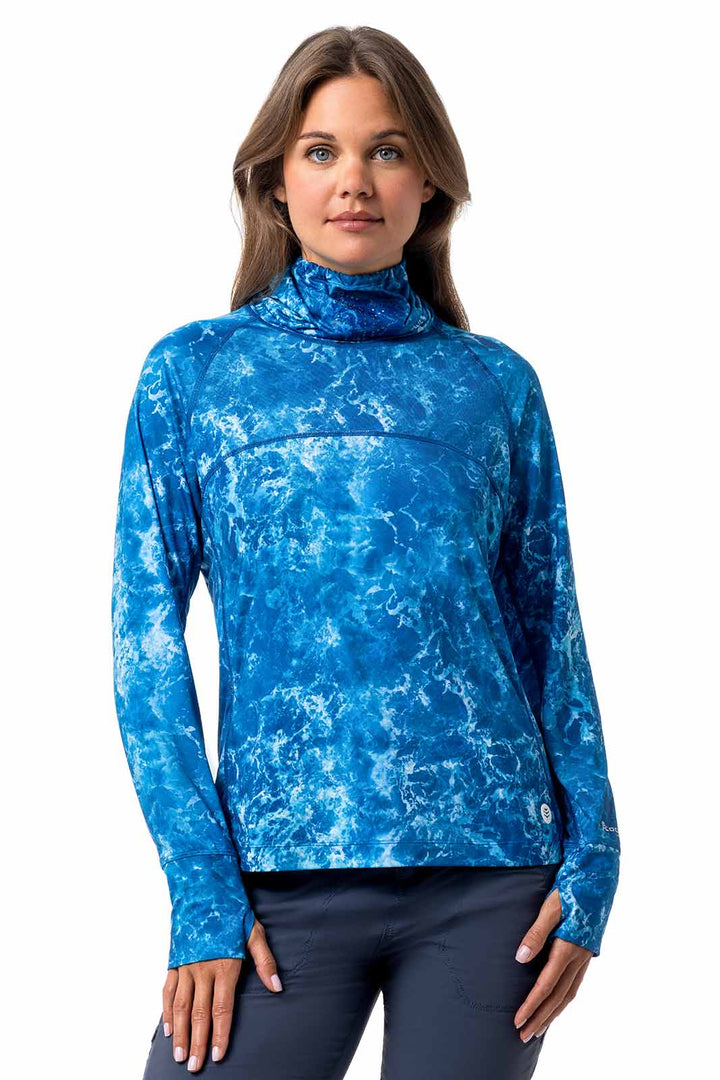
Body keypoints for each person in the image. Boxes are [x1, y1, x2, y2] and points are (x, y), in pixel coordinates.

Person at [111, 25, 621, 1080]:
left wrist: (597, 861)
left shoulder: (494, 385)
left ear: (429, 181)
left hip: (492, 878)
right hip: (273, 881)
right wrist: (201, 890)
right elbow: (143, 640)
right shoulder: (196, 376)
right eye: (321, 151)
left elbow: (551, 633)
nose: (355, 180)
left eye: (387, 150)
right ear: (274, 180)